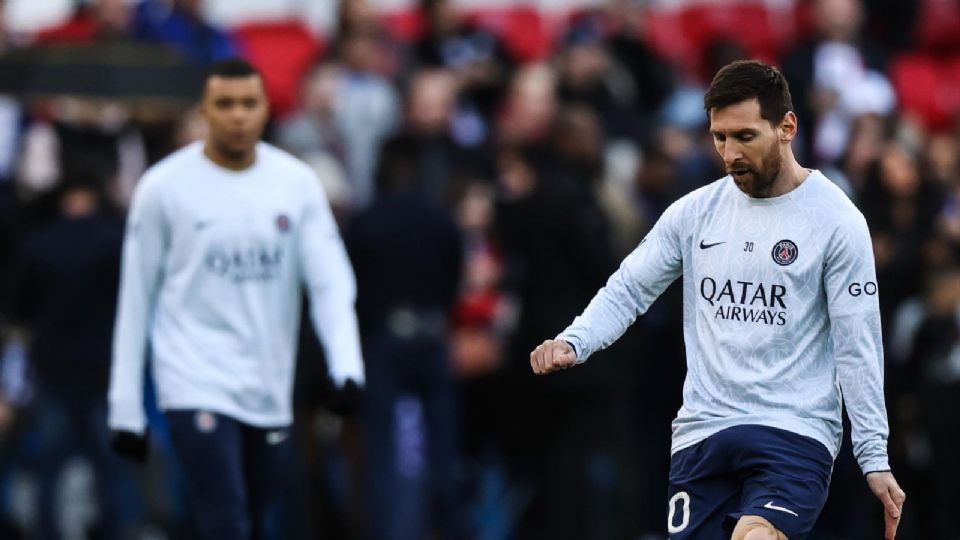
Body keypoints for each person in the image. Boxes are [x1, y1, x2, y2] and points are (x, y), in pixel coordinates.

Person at [529, 60, 905, 540]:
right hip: (704, 432)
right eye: (719, 137)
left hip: (794, 430)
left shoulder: (837, 221)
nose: (730, 153)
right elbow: (630, 287)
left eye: (745, 136)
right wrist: (576, 341)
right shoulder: (695, 213)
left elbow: (859, 344)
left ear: (786, 126)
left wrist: (873, 454)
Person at [107, 58, 364, 540]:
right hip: (194, 377)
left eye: (249, 103)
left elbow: (330, 282)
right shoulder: (163, 188)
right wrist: (125, 407)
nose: (238, 115)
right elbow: (136, 297)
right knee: (223, 516)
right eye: (225, 104)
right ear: (204, 110)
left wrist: (347, 366)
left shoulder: (295, 183)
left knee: (255, 518)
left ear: (267, 108)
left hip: (267, 383)